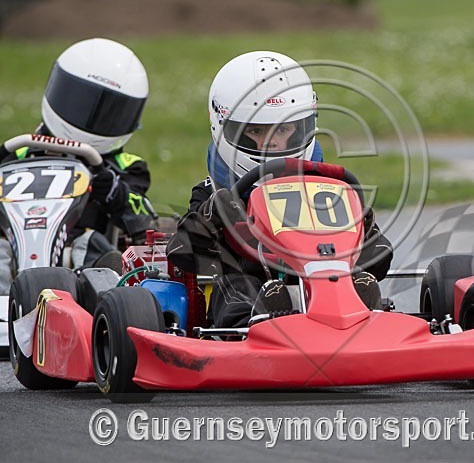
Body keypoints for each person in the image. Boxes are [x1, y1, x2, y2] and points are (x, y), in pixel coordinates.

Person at [166, 50, 393, 328]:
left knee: (357, 279)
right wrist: (213, 219)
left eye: (284, 129)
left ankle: (363, 313)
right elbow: (181, 253)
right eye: (256, 131)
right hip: (248, 302)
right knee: (240, 286)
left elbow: (381, 258)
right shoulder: (211, 192)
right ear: (225, 127)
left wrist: (361, 228)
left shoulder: (327, 188)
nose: (271, 143)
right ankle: (259, 321)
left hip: (324, 285)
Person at [0, 37, 155, 295]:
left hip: (77, 253)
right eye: (82, 102)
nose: (90, 117)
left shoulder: (125, 166)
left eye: (108, 110)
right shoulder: (18, 153)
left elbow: (142, 215)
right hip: (15, 247)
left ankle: (100, 303)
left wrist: (115, 193)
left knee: (95, 250)